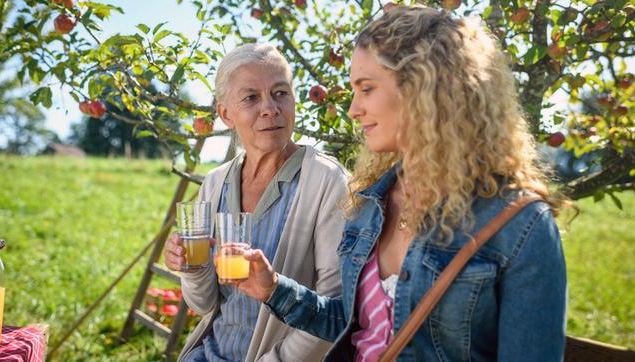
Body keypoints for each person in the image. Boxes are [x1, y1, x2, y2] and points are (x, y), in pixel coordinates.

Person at [232, 6, 568, 361]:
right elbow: (356, 325)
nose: (353, 109)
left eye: (366, 89)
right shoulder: (369, 203)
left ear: (424, 88)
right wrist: (273, 289)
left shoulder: (520, 225)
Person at [163, 43, 349, 362]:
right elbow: (204, 304)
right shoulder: (216, 182)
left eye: (280, 93)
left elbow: (334, 311)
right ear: (225, 114)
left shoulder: (326, 180)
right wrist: (190, 268)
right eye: (251, 98)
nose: (270, 108)